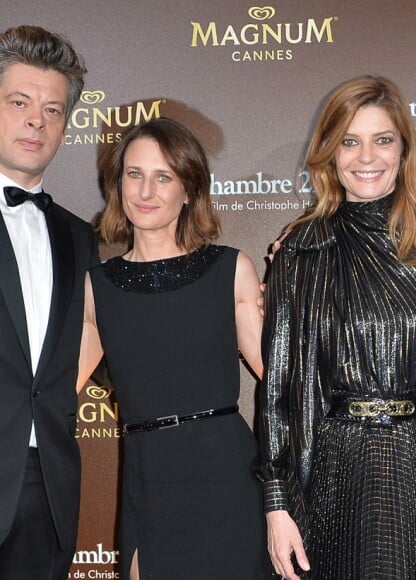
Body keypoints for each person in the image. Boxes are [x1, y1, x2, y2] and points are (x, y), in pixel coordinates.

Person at [256, 75, 416, 579]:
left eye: (382, 140)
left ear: (403, 149)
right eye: (350, 141)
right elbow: (280, 389)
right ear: (331, 152)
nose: (365, 157)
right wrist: (276, 502)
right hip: (337, 469)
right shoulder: (301, 251)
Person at [77, 117, 271, 579]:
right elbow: (50, 394)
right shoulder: (97, 287)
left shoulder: (230, 270)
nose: (146, 191)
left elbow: (283, 380)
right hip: (148, 481)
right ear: (117, 182)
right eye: (134, 174)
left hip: (227, 478)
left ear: (189, 190)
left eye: (164, 177)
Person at [0, 25, 98, 579]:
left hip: (47, 484)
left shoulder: (78, 237)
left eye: (53, 109)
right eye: (20, 102)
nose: (37, 119)